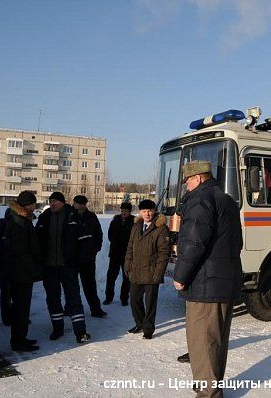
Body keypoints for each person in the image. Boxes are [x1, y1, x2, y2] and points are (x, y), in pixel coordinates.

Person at [173, 160, 243, 398]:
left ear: (199, 178)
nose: (187, 187)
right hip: (223, 281)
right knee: (216, 341)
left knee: (202, 343)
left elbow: (194, 242)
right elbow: (236, 243)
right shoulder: (226, 199)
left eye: (188, 181)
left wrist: (180, 276)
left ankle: (208, 394)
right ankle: (212, 387)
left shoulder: (200, 199)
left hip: (205, 285)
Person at [36, 191, 90, 344]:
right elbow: (37, 241)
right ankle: (57, 328)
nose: (52, 204)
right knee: (53, 298)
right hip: (50, 267)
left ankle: (80, 332)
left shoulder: (73, 216)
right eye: (50, 201)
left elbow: (85, 241)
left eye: (55, 201)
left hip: (68, 266)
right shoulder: (44, 217)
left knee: (73, 298)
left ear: (62, 202)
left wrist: (79, 261)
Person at [124, 199, 169, 339]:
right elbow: (130, 247)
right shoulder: (136, 226)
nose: (147, 214)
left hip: (151, 271)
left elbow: (164, 253)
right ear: (140, 212)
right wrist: (127, 264)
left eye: (149, 211)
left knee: (150, 302)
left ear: (154, 211)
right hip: (136, 270)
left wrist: (159, 271)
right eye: (144, 211)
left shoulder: (161, 228)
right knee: (134, 300)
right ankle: (140, 323)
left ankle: (148, 328)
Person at [4, 191, 42, 352]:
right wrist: (33, 269)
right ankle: (18, 341)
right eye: (33, 204)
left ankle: (20, 338)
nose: (35, 206)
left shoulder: (20, 219)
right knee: (21, 308)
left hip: (20, 272)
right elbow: (21, 251)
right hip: (21, 273)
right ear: (27, 205)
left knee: (22, 308)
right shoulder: (19, 222)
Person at [72, 195, 106, 318]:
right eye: (79, 203)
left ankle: (96, 309)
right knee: (71, 287)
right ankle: (70, 309)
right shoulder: (69, 216)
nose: (81, 206)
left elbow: (99, 234)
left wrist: (95, 249)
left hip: (88, 258)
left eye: (83, 203)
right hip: (72, 258)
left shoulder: (91, 217)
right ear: (74, 203)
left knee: (90, 286)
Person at [104, 202, 135, 306]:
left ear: (130, 212)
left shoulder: (134, 223)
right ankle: (108, 297)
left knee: (126, 277)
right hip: (115, 253)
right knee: (111, 276)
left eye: (125, 211)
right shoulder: (115, 221)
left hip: (127, 254)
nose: (123, 213)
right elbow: (110, 235)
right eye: (122, 211)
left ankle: (124, 298)